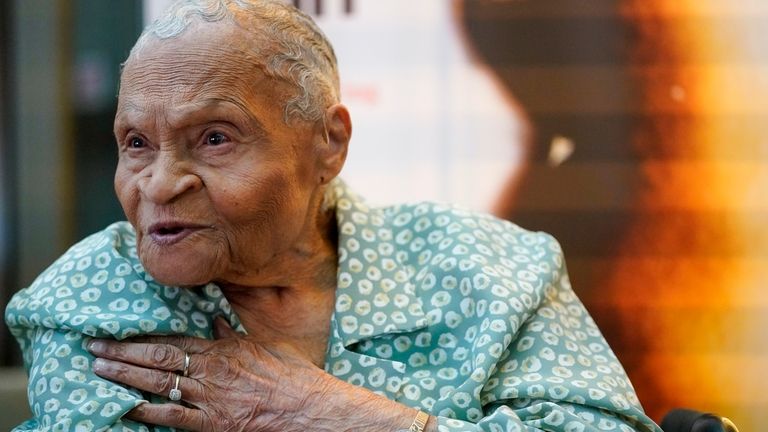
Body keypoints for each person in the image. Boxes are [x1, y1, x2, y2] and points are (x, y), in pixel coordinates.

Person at [4, 1, 662, 431]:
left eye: (214, 138)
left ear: (329, 143)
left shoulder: (494, 271)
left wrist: (337, 415)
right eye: (136, 143)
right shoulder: (89, 305)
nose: (160, 183)